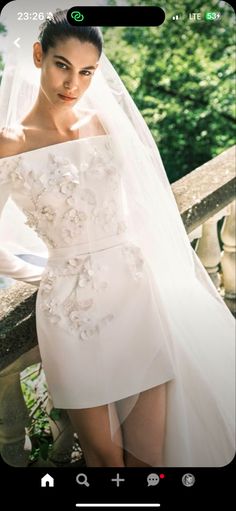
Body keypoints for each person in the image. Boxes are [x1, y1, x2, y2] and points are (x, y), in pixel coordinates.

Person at [0, 9, 235, 468]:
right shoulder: (9, 143)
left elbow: (146, 209)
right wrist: (45, 273)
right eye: (61, 65)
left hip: (134, 296)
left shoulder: (105, 125)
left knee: (149, 456)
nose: (73, 83)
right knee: (104, 457)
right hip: (68, 314)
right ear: (38, 56)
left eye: (86, 71)